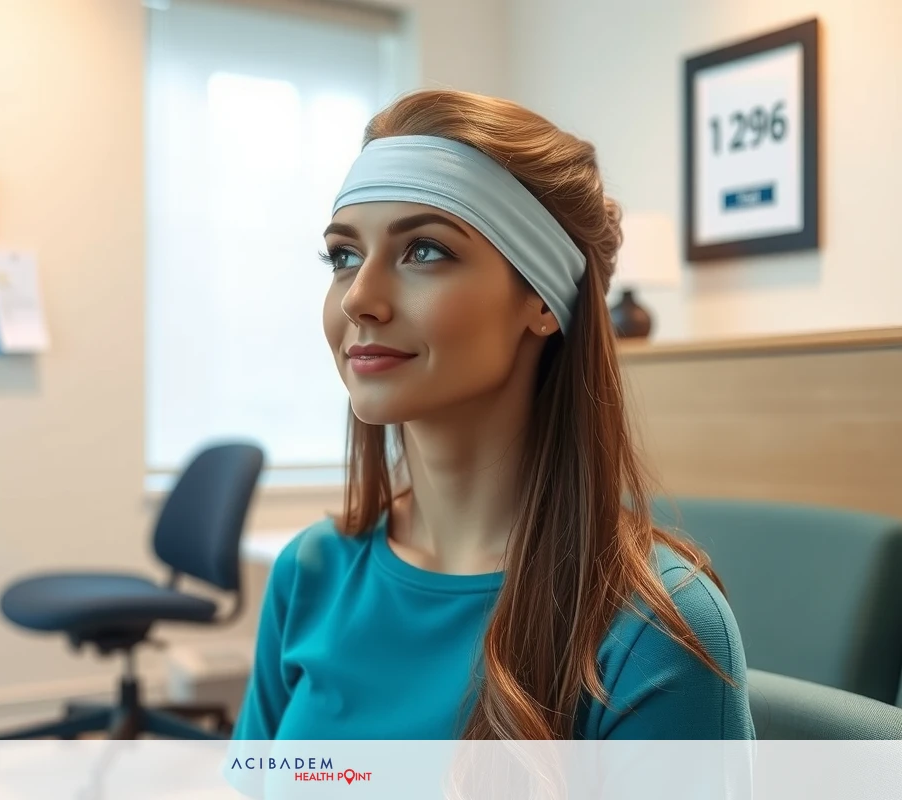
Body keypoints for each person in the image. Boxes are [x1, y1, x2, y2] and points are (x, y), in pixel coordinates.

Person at [232, 89, 753, 740]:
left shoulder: (652, 633)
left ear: (542, 298)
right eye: (343, 256)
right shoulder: (309, 573)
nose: (360, 298)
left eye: (423, 250)